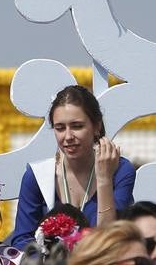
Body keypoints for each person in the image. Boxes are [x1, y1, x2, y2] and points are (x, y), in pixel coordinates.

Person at [9, 85, 135, 250]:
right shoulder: (38, 176)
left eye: (77, 126)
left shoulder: (120, 170)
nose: (68, 137)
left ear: (97, 126)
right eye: (60, 128)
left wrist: (104, 179)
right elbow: (21, 241)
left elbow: (109, 240)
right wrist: (52, 263)